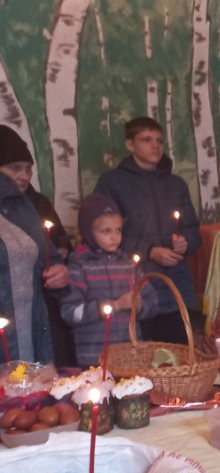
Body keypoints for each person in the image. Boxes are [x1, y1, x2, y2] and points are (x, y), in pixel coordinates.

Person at [93, 117, 201, 345]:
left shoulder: (176, 185)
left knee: (178, 354)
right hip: (134, 284)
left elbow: (192, 230)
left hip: (176, 285)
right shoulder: (112, 182)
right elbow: (103, 233)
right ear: (130, 144)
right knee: (138, 356)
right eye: (147, 140)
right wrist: (149, 251)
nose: (155, 146)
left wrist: (186, 242)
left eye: (159, 140)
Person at [0, 125, 71, 363]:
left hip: (32, 324)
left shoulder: (29, 206)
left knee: (25, 378)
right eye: (14, 168)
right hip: (7, 328)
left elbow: (50, 256)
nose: (24, 175)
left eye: (28, 168)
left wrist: (60, 272)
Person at [60, 194, 158, 367]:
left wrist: (140, 307)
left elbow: (153, 302)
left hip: (130, 357)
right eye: (106, 231)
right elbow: (70, 312)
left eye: (118, 230)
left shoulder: (129, 265)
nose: (114, 237)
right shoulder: (79, 267)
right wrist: (115, 305)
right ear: (89, 232)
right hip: (94, 359)